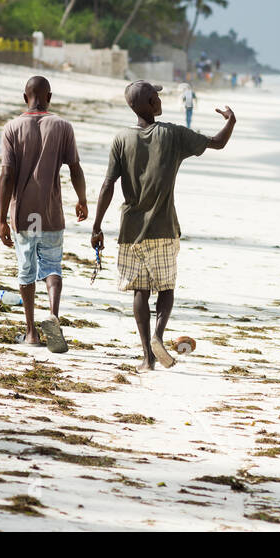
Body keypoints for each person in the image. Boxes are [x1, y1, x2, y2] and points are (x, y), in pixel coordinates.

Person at [91, 81, 236, 371]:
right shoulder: (171, 134)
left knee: (140, 291)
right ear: (147, 103)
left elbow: (108, 184)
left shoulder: (121, 139)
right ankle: (159, 334)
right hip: (164, 227)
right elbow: (217, 143)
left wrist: (96, 226)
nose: (160, 99)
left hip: (130, 230)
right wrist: (231, 121)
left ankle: (147, 357)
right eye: (155, 96)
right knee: (166, 288)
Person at [0, 76, 88, 352]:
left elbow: (7, 174)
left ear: (25, 97)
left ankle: (31, 333)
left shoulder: (12, 128)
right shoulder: (62, 126)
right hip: (50, 212)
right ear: (50, 96)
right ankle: (53, 317)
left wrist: (2, 217)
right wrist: (82, 200)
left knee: (26, 269)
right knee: (51, 266)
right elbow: (75, 167)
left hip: (25, 213)